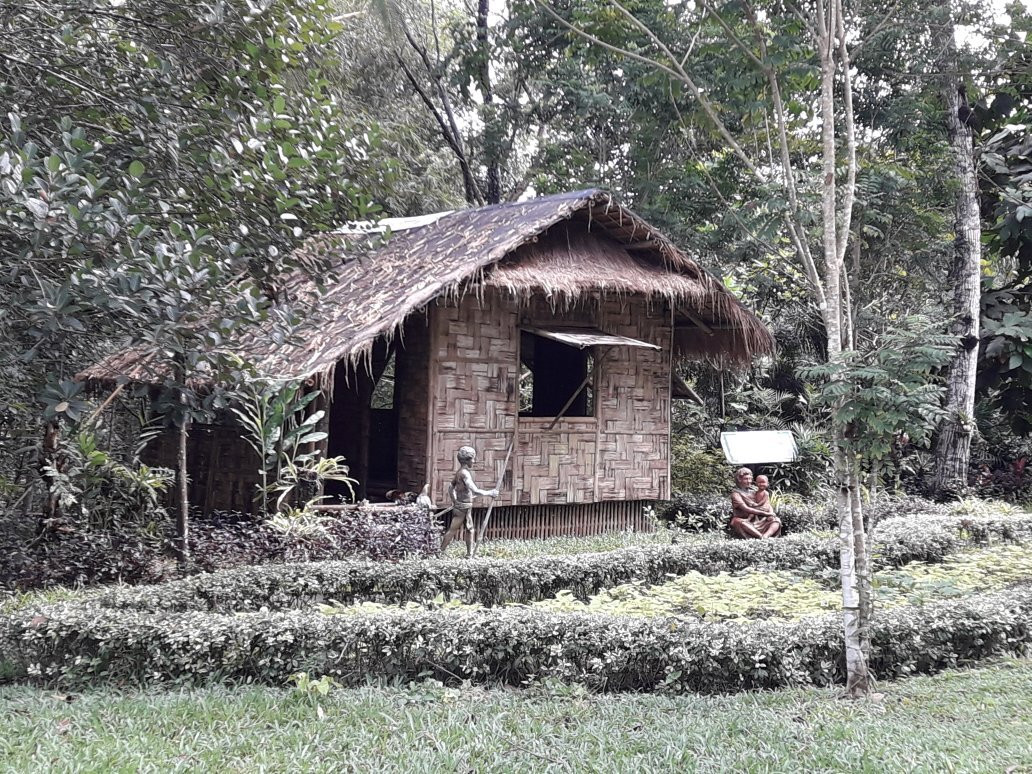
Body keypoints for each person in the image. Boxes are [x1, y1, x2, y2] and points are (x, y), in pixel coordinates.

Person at [440, 446, 498, 557]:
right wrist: (490, 493)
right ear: (467, 460)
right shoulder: (464, 473)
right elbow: (474, 489)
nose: (474, 461)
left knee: (466, 529)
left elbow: (450, 488)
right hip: (463, 507)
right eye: (472, 459)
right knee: (458, 529)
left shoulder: (459, 472)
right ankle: (445, 552)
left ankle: (467, 553)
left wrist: (455, 500)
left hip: (462, 505)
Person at [730, 467, 781, 539]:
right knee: (738, 522)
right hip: (744, 519)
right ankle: (761, 537)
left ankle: (766, 535)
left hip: (758, 519)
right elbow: (746, 509)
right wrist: (765, 513)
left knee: (776, 520)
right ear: (739, 479)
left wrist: (771, 513)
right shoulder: (736, 494)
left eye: (750, 479)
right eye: (746, 479)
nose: (749, 481)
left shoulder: (755, 491)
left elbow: (767, 504)